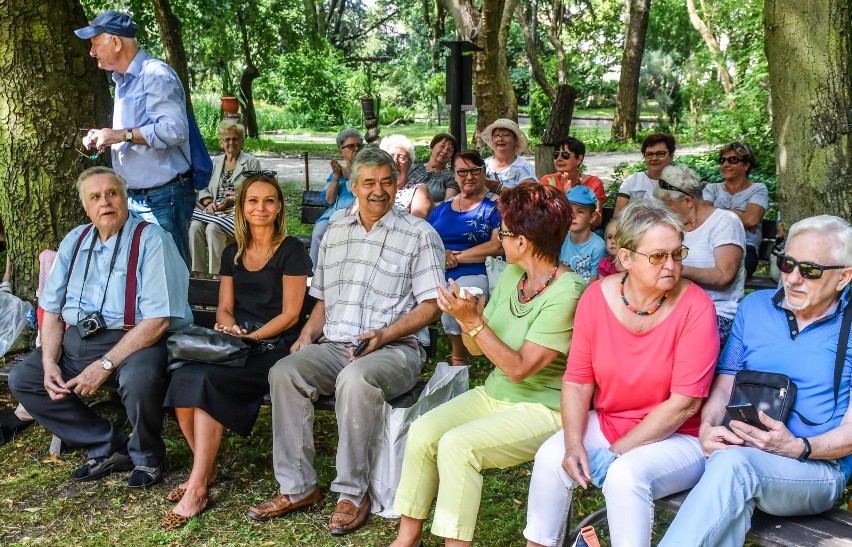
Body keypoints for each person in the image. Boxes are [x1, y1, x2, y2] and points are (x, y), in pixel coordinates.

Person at [245, 147, 445, 536]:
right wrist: (305, 336)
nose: (379, 191)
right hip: (337, 345)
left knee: (355, 380)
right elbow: (322, 299)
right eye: (368, 182)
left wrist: (386, 334)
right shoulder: (335, 231)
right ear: (353, 186)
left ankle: (352, 493)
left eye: (387, 181)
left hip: (394, 349)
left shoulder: (419, 235)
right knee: (285, 371)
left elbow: (433, 306)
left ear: (397, 183)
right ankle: (298, 487)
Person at [391, 182, 585, 547]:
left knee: (458, 445)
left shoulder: (569, 292)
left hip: (544, 407)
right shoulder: (514, 275)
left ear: (524, 241)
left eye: (505, 232)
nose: (500, 237)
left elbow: (520, 368)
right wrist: (467, 319)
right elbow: (477, 350)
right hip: (495, 392)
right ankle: (407, 539)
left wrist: (473, 322)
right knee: (422, 431)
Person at [524, 200, 720, 547]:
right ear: (626, 258)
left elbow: (684, 405)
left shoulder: (696, 307)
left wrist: (616, 452)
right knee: (550, 458)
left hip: (679, 437)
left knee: (624, 475)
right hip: (612, 420)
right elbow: (577, 379)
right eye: (658, 256)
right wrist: (573, 445)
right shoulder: (596, 298)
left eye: (677, 253)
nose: (672, 265)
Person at [660, 215, 852, 547]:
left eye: (810, 270)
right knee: (728, 486)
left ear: (843, 277)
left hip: (816, 469)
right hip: (741, 454)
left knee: (734, 466)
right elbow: (725, 382)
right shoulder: (756, 306)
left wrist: (798, 447)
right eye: (787, 264)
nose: (792, 279)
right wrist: (708, 425)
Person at [8, 167, 191, 488]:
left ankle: (148, 455)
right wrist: (50, 360)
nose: (105, 202)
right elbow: (51, 311)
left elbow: (158, 320)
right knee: (26, 379)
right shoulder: (74, 240)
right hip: (80, 339)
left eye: (112, 193)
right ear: (86, 206)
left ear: (125, 197)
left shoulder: (152, 240)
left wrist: (105, 365)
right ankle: (108, 445)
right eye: (95, 196)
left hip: (139, 340)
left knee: (139, 378)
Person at [161, 174, 312, 529]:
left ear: (279, 207)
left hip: (274, 348)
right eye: (253, 201)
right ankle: (207, 467)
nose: (261, 208)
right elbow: (224, 307)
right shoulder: (232, 251)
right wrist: (229, 327)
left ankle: (197, 488)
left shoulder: (292, 251)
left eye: (269, 201)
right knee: (185, 376)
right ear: (242, 207)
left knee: (209, 381)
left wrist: (254, 336)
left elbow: (291, 313)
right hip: (238, 343)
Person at [76, 11, 197, 267]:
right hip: (135, 197)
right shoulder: (122, 81)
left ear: (116, 42)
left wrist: (120, 135)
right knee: (144, 274)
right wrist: (106, 137)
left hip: (164, 197)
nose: (92, 52)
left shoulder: (155, 75)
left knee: (170, 274)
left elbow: (174, 130)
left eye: (95, 43)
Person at [654, 164, 746, 345]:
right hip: (676, 309)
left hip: (717, 313)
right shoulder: (675, 226)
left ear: (688, 201)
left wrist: (676, 268)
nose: (665, 211)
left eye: (668, 205)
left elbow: (724, 276)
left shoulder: (725, 222)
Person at [426, 151, 502, 366]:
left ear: (483, 172)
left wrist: (456, 258)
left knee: (457, 298)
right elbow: (425, 239)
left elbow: (498, 245)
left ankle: (459, 357)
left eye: (474, 171)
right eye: (462, 172)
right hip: (438, 269)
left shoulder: (496, 205)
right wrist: (441, 256)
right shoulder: (442, 208)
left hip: (475, 271)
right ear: (454, 174)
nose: (469, 177)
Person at [188, 119, 261, 278]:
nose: (231, 142)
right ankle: (200, 275)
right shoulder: (215, 162)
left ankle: (219, 276)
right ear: (221, 142)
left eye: (235, 138)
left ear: (241, 140)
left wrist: (233, 199)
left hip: (237, 212)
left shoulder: (251, 163)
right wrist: (208, 202)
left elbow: (255, 192)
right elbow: (203, 186)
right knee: (194, 227)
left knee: (213, 228)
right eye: (227, 139)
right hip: (213, 210)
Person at [703, 142, 768, 278]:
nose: (725, 165)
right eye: (722, 160)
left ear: (746, 165)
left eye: (733, 160)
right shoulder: (712, 188)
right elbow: (702, 216)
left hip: (746, 248)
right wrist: (739, 214)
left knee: (731, 279)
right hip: (712, 245)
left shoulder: (758, 189)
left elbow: (751, 219)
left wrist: (714, 212)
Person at [309, 128, 364, 268]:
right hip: (334, 214)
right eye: (351, 146)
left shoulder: (367, 171)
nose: (356, 149)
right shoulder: (336, 173)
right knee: (318, 233)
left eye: (359, 145)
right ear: (342, 151)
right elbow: (329, 200)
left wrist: (348, 176)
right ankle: (313, 275)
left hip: (359, 215)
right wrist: (336, 176)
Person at [539, 137, 606, 229]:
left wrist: (577, 196)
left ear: (579, 159)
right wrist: (564, 196)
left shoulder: (594, 183)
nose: (559, 159)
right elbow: (543, 217)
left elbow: (597, 222)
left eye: (565, 155)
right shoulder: (547, 181)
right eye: (556, 155)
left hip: (583, 236)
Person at [613, 134, 676, 216]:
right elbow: (618, 217)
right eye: (649, 154)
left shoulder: (681, 183)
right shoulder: (631, 182)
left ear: (671, 155)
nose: (654, 158)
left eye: (660, 153)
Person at [559, 186, 607, 284]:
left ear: (592, 217)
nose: (573, 216)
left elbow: (594, 284)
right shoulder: (561, 238)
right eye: (569, 210)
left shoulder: (598, 247)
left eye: (580, 212)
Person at [380, 134, 433, 218]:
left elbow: (416, 228)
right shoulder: (375, 187)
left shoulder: (418, 191)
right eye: (390, 156)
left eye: (402, 157)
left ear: (409, 163)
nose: (395, 162)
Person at [481, 119, 537, 192]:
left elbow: (529, 195)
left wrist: (499, 188)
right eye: (496, 135)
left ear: (515, 140)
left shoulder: (524, 167)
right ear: (492, 140)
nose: (500, 139)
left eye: (506, 135)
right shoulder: (484, 164)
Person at [409, 133, 460, 203]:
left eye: (450, 150)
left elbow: (447, 206)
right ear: (431, 148)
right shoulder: (412, 168)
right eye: (442, 146)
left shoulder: (451, 178)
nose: (445, 151)